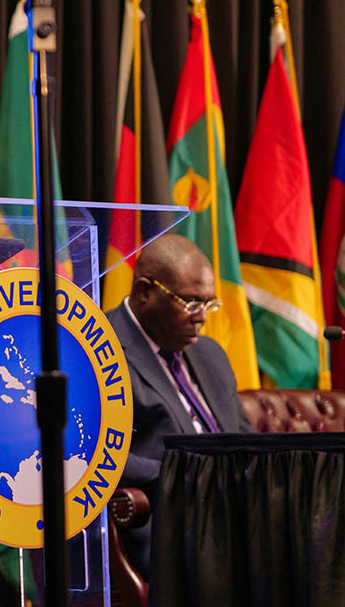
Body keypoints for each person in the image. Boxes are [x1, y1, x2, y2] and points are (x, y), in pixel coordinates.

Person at [106, 233, 251, 580]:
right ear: (144, 292)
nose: (201, 317)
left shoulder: (210, 354)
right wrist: (191, 475)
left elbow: (244, 441)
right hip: (168, 521)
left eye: (209, 304)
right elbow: (97, 455)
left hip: (234, 514)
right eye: (189, 302)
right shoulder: (100, 349)